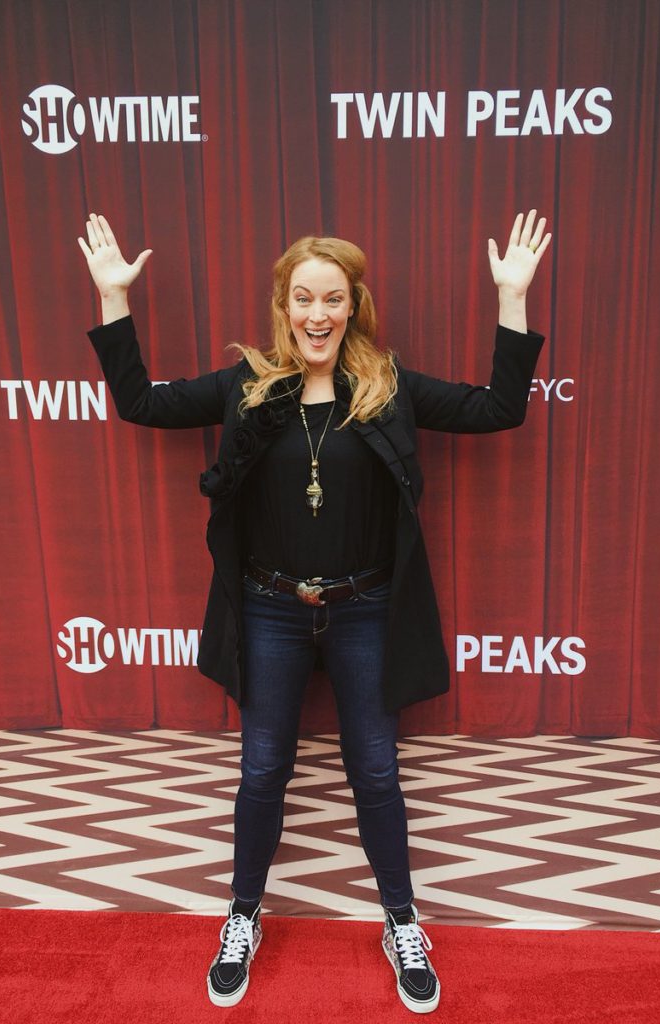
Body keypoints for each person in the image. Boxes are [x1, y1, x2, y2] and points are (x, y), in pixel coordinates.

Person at [79, 210, 550, 1014]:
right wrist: (112, 298)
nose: (318, 314)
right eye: (303, 298)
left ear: (353, 306)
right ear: (284, 306)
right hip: (270, 610)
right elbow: (139, 404)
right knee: (263, 769)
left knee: (375, 770)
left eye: (333, 299)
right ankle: (243, 915)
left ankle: (400, 921)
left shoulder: (387, 387)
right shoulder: (247, 390)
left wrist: (513, 298)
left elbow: (499, 408)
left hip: (366, 609)